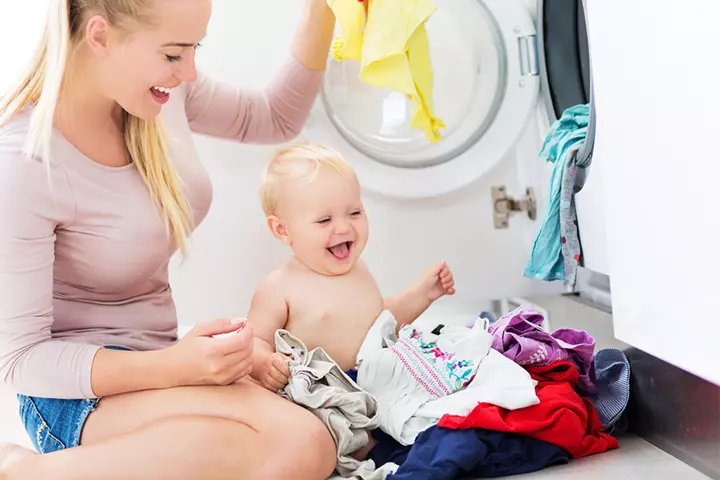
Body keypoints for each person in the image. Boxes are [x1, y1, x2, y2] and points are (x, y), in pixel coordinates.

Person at [0, 0, 338, 478]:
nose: (191, 72)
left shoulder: (160, 94)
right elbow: (21, 359)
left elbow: (273, 117)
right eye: (175, 53)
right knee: (299, 446)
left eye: (195, 49)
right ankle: (19, 471)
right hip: (75, 395)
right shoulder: (23, 163)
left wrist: (325, 9)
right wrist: (176, 367)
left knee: (307, 442)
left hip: (157, 355)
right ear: (100, 36)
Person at [248, 143, 456, 392]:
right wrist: (264, 364)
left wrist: (424, 294)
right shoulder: (279, 287)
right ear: (282, 230)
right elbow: (254, 342)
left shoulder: (359, 269)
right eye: (325, 220)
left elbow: (381, 321)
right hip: (323, 391)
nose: (344, 228)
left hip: (376, 382)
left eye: (355, 212)